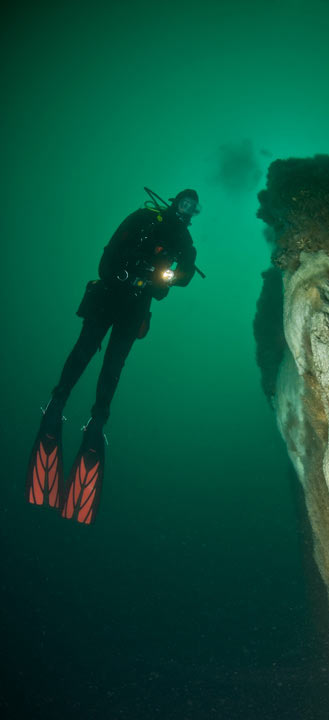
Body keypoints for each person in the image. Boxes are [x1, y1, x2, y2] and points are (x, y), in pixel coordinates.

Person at [26, 187, 201, 525]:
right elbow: (108, 254)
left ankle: (97, 420)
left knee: (114, 365)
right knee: (85, 349)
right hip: (109, 295)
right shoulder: (144, 218)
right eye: (184, 202)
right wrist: (125, 271)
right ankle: (57, 402)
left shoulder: (183, 239)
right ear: (174, 201)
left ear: (196, 211)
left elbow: (186, 276)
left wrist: (167, 277)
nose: (187, 208)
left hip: (136, 306)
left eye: (193, 206)